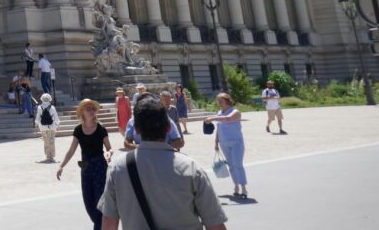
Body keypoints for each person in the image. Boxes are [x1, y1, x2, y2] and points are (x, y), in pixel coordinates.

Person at [98, 96, 228, 230]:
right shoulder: (190, 167)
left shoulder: (118, 168)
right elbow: (215, 225)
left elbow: (108, 224)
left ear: (136, 129)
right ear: (168, 128)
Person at [56, 99, 112, 230]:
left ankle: (99, 227)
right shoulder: (78, 130)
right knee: (89, 204)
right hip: (86, 169)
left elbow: (109, 148)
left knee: (99, 204)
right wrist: (61, 166)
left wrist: (109, 153)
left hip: (100, 168)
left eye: (93, 109)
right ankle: (101, 226)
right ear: (82, 112)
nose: (92, 111)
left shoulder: (101, 129)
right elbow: (71, 150)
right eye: (88, 109)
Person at [205, 92, 249, 198]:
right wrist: (216, 142)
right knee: (231, 166)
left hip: (236, 142)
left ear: (227, 101)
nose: (219, 103)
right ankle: (236, 186)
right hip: (224, 143)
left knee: (238, 164)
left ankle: (244, 188)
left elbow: (228, 119)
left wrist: (212, 118)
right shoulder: (219, 112)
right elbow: (219, 129)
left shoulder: (236, 112)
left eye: (221, 101)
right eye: (218, 101)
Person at [35, 93, 60, 162]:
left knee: (46, 141)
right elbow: (56, 118)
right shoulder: (52, 107)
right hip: (52, 127)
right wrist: (57, 125)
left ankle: (47, 156)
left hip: (43, 127)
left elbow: (37, 118)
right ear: (49, 99)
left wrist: (36, 124)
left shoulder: (40, 107)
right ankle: (51, 156)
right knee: (52, 141)